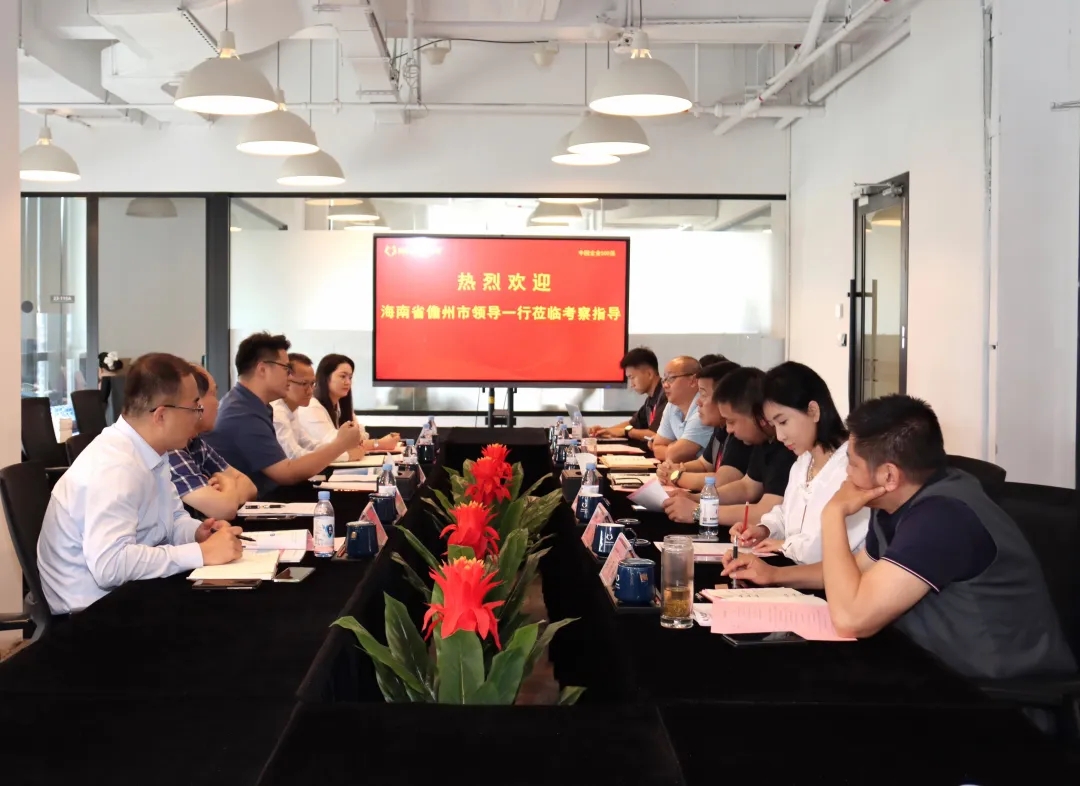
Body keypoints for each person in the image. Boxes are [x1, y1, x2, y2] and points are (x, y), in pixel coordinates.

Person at [730, 395, 1075, 680]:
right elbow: (856, 569)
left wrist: (833, 513)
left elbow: (851, 619)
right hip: (926, 663)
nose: (845, 475)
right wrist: (775, 575)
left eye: (852, 464)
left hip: (991, 697)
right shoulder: (902, 500)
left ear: (889, 475)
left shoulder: (942, 518)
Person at [37, 353, 246, 615]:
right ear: (161, 415)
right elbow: (110, 566)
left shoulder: (152, 451)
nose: (198, 417)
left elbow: (171, 520)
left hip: (130, 594)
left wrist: (198, 533)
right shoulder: (115, 467)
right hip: (93, 614)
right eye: (194, 408)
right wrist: (201, 553)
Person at [725, 361, 868, 564]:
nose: (780, 435)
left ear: (813, 411)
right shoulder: (803, 462)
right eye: (774, 425)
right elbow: (786, 514)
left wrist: (784, 545)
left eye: (783, 422)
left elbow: (827, 548)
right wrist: (764, 530)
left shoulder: (853, 466)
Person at [204, 333, 362, 498]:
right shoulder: (242, 413)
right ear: (263, 369)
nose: (289, 376)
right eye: (286, 369)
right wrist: (340, 445)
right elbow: (287, 473)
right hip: (255, 502)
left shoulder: (252, 404)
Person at [662, 366, 795, 526]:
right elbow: (746, 487)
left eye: (731, 422)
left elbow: (765, 511)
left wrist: (699, 511)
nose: (729, 430)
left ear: (759, 416)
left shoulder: (787, 448)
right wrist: (695, 498)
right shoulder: (764, 441)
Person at [168, 365, 257, 520]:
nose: (218, 402)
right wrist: (228, 483)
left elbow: (250, 487)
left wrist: (225, 493)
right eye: (213, 394)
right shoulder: (171, 447)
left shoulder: (196, 442)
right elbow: (224, 509)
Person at [656, 361, 751, 492]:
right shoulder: (720, 428)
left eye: (703, 395)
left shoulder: (741, 434)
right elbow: (704, 464)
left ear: (726, 398)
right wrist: (675, 469)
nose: (698, 402)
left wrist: (676, 476)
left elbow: (722, 480)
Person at [297, 354, 399, 452]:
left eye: (350, 377)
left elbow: (361, 435)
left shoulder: (340, 406)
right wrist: (377, 444)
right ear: (326, 378)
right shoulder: (311, 407)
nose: (348, 382)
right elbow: (335, 445)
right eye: (343, 376)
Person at [590, 347, 667, 440]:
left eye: (632, 377)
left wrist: (626, 431)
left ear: (649, 374)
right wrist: (606, 430)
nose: (631, 384)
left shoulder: (667, 395)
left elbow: (655, 435)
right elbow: (632, 424)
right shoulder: (651, 399)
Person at [650, 356, 712, 463]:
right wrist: (674, 448)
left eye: (671, 378)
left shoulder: (703, 408)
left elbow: (677, 455)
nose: (665, 385)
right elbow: (657, 446)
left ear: (693, 380)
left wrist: (672, 448)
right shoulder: (671, 405)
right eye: (664, 380)